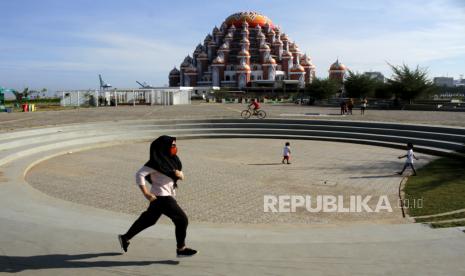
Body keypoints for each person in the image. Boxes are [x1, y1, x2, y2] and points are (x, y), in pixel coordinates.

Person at [118, 135, 197, 257]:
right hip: (162, 197)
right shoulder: (155, 162)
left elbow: (180, 175)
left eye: (175, 145)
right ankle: (181, 249)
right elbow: (139, 174)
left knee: (148, 220)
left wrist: (179, 175)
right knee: (182, 220)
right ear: (164, 146)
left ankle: (125, 237)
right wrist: (146, 193)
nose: (175, 147)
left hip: (164, 195)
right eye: (172, 145)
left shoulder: (173, 159)